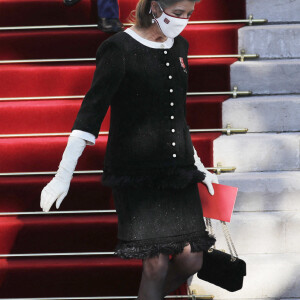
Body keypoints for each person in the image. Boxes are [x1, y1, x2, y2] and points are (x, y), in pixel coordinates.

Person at [41, 0, 219, 298]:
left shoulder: (180, 46)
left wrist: (200, 168)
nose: (184, 21)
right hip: (137, 174)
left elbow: (177, 115)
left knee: (192, 259)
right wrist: (63, 175)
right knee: (155, 265)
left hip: (180, 172)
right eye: (178, 13)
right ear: (155, 8)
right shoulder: (118, 48)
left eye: (189, 14)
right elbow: (90, 113)